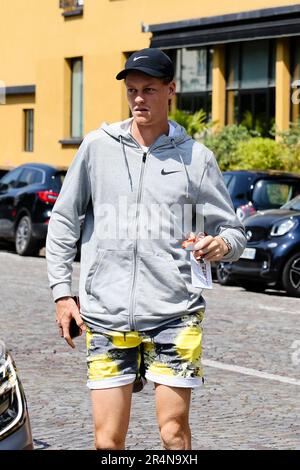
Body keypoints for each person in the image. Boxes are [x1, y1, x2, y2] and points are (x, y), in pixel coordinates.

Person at [46, 48, 246, 450]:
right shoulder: (97, 148)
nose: (139, 98)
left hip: (175, 314)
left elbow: (234, 231)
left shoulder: (196, 159)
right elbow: (65, 220)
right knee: (107, 442)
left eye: (149, 89)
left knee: (173, 433)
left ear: (171, 90)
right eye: (132, 89)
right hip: (106, 315)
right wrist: (62, 293)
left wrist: (220, 243)